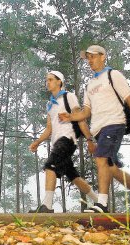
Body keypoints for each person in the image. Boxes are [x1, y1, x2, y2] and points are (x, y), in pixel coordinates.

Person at [59, 45, 130, 214]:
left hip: (115, 123)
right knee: (111, 168)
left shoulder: (113, 75)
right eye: (87, 57)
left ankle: (102, 204)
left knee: (101, 158)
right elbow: (86, 112)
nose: (89, 60)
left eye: (93, 56)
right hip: (99, 130)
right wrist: (70, 117)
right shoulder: (89, 85)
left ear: (103, 57)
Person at [28, 71, 98, 213]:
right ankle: (99, 202)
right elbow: (49, 128)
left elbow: (80, 118)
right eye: (46, 80)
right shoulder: (50, 104)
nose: (47, 82)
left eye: (51, 80)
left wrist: (90, 139)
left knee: (50, 166)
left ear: (59, 81)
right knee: (74, 177)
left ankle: (47, 206)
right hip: (57, 142)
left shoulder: (69, 96)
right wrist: (38, 142)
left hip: (67, 139)